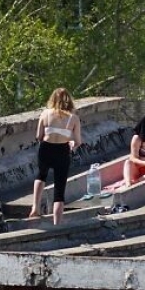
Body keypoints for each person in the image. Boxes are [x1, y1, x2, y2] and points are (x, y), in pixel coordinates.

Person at [28, 87, 82, 225]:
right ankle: (57, 222)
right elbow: (78, 141)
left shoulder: (45, 113)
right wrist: (72, 145)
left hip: (46, 148)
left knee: (41, 175)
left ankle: (35, 207)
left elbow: (38, 136)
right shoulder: (73, 118)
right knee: (60, 187)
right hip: (62, 150)